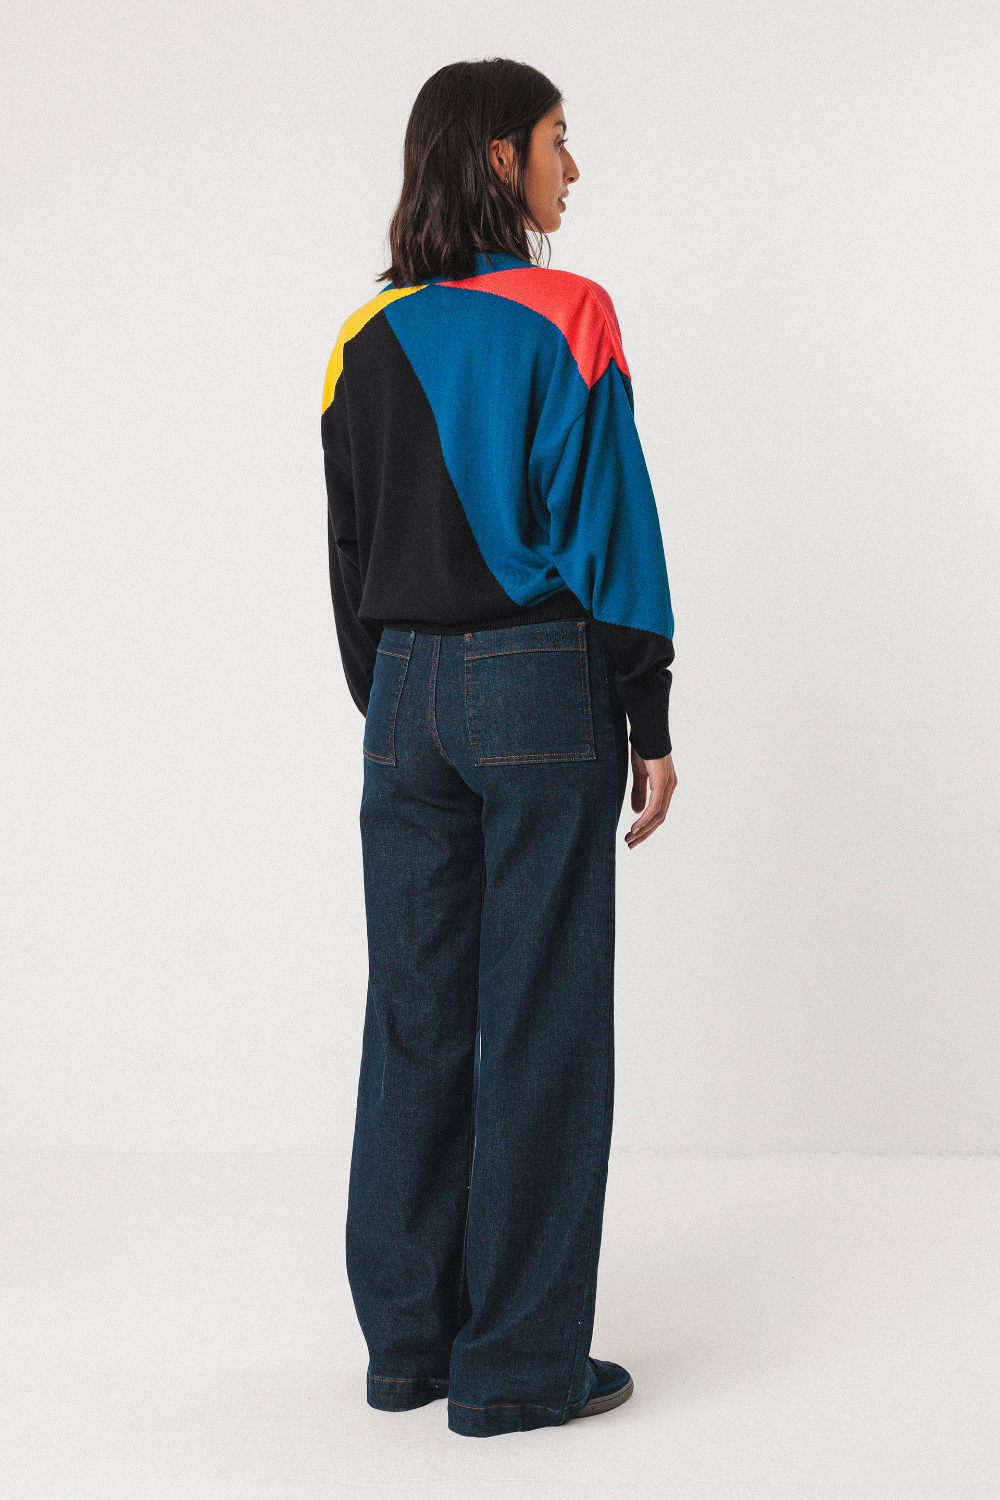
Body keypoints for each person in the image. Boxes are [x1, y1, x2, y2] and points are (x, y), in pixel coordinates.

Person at [321, 57, 677, 1439]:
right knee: (541, 1019)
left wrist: (397, 701)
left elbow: (348, 551)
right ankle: (518, 1365)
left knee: (416, 1015)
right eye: (556, 142)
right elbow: (611, 527)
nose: (570, 170)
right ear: (496, 157)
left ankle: (409, 1346)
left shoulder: (361, 335)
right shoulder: (568, 314)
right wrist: (647, 711)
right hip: (537, 684)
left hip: (402, 698)